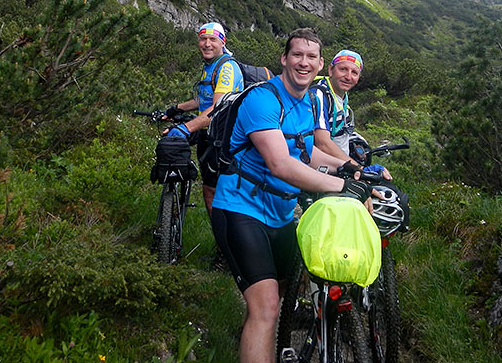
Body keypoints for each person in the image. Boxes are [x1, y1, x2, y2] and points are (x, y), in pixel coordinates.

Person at [210, 28, 372, 363]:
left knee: (277, 297)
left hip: (282, 215)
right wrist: (342, 187)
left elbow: (306, 152)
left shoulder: (309, 101)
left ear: (320, 64)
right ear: (284, 59)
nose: (304, 62)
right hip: (241, 210)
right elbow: (280, 163)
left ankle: (253, 340)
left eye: (311, 57)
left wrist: (348, 168)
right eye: (297, 54)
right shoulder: (263, 99)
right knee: (267, 305)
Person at [163, 22, 243, 215]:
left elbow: (217, 108)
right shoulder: (211, 66)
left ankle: (222, 234)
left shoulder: (227, 68)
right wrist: (176, 108)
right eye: (203, 39)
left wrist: (186, 128)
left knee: (211, 192)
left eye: (212, 39)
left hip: (223, 139)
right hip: (209, 135)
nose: (207, 44)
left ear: (222, 42)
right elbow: (204, 99)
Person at [312, 49, 392, 180]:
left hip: (341, 166)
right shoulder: (320, 95)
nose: (348, 77)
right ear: (331, 70)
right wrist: (360, 170)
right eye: (343, 69)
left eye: (354, 72)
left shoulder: (341, 95)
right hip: (323, 172)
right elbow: (322, 142)